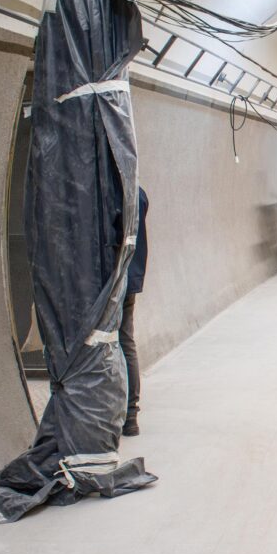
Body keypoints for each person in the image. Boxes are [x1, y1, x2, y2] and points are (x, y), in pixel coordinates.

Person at [119, 187, 148, 437]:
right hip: (131, 278)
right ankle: (130, 415)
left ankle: (118, 412)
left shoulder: (106, 190)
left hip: (111, 282)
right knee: (126, 341)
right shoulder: (138, 193)